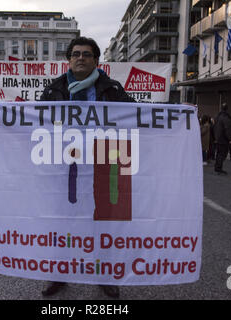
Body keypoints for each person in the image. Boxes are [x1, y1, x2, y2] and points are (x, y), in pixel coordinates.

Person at [39, 36, 135, 298]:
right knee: (63, 221)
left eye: (87, 54)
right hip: (65, 164)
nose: (81, 58)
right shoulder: (53, 90)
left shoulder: (113, 89)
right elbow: (40, 126)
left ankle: (104, 274)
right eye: (76, 54)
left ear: (96, 60)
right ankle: (59, 273)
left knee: (102, 222)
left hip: (103, 163)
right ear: (68, 59)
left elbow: (134, 118)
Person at [213, 103, 231, 175]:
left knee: (219, 153)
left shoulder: (217, 116)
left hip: (218, 138)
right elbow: (227, 129)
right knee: (222, 154)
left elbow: (214, 127)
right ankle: (218, 168)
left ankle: (217, 167)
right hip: (223, 139)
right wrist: (230, 139)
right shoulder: (226, 117)